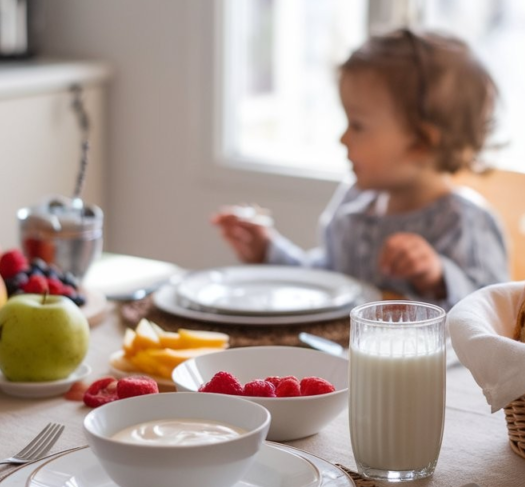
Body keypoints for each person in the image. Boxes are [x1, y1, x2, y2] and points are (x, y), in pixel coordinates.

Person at [212, 28, 509, 308]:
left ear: (421, 141)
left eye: (357, 125)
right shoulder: (354, 204)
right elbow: (329, 284)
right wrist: (269, 252)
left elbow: (492, 316)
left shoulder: (465, 223)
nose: (343, 138)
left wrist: (437, 277)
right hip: (339, 361)